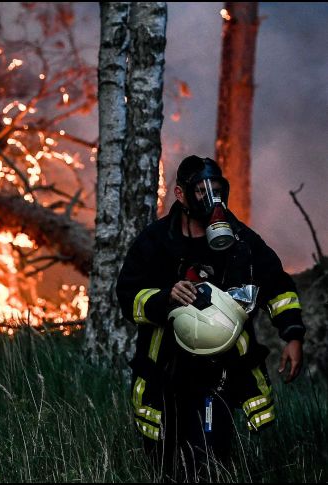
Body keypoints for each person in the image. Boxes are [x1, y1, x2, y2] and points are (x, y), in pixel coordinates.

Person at [116, 155, 305, 480]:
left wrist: (293, 334)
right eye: (202, 191)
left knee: (210, 461)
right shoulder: (156, 241)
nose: (212, 199)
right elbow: (128, 294)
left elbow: (277, 286)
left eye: (217, 190)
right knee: (163, 464)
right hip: (167, 370)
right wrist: (166, 297)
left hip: (220, 371)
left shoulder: (240, 241)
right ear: (180, 194)